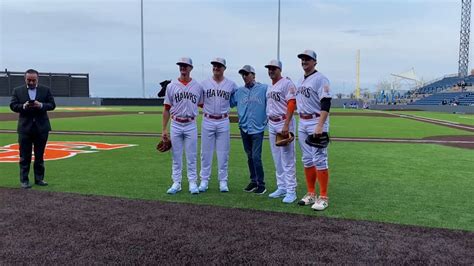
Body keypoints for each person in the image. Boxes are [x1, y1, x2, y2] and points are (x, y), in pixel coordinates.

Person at [295, 50, 333, 211]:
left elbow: (326, 103)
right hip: (302, 121)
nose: (304, 61)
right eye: (302, 59)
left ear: (315, 62)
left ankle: (323, 197)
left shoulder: (320, 79)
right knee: (307, 159)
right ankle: (311, 193)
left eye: (308, 59)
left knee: (319, 158)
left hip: (316, 120)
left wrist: (320, 125)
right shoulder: (300, 80)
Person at [162, 57, 204, 195]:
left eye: (185, 66)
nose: (183, 68)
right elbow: (166, 108)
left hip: (191, 123)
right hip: (176, 123)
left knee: (191, 155)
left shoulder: (197, 86)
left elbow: (203, 105)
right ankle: (176, 183)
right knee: (176, 155)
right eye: (181, 65)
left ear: (191, 68)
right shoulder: (171, 86)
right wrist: (164, 129)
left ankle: (192, 182)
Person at [9, 69, 56, 189]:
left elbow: (52, 105)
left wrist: (41, 105)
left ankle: (39, 179)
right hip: (25, 128)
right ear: (25, 79)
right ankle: (24, 180)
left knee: (40, 155)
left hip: (42, 128)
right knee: (25, 156)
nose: (31, 82)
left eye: (33, 80)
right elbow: (13, 106)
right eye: (28, 80)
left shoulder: (45, 90)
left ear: (37, 79)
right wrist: (23, 106)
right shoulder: (17, 90)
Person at [198, 58, 238, 192]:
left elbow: (238, 98)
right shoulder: (203, 84)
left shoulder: (231, 85)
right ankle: (204, 180)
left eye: (219, 66)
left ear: (224, 68)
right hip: (208, 119)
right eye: (214, 65)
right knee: (205, 152)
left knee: (223, 152)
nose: (216, 68)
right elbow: (197, 100)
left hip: (223, 120)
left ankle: (223, 181)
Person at [230, 65, 268, 195]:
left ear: (254, 75)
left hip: (257, 128)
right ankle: (253, 181)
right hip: (244, 128)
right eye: (243, 74)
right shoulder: (239, 91)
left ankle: (261, 184)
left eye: (247, 74)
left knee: (256, 156)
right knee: (249, 156)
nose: (245, 76)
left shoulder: (263, 88)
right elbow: (229, 102)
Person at [264, 59, 297, 203]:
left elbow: (292, 103)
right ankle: (282, 187)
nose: (271, 70)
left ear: (280, 70)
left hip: (284, 122)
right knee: (277, 158)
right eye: (269, 68)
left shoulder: (287, 83)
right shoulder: (269, 87)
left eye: (274, 68)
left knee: (288, 158)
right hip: (272, 123)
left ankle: (291, 191)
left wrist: (287, 124)